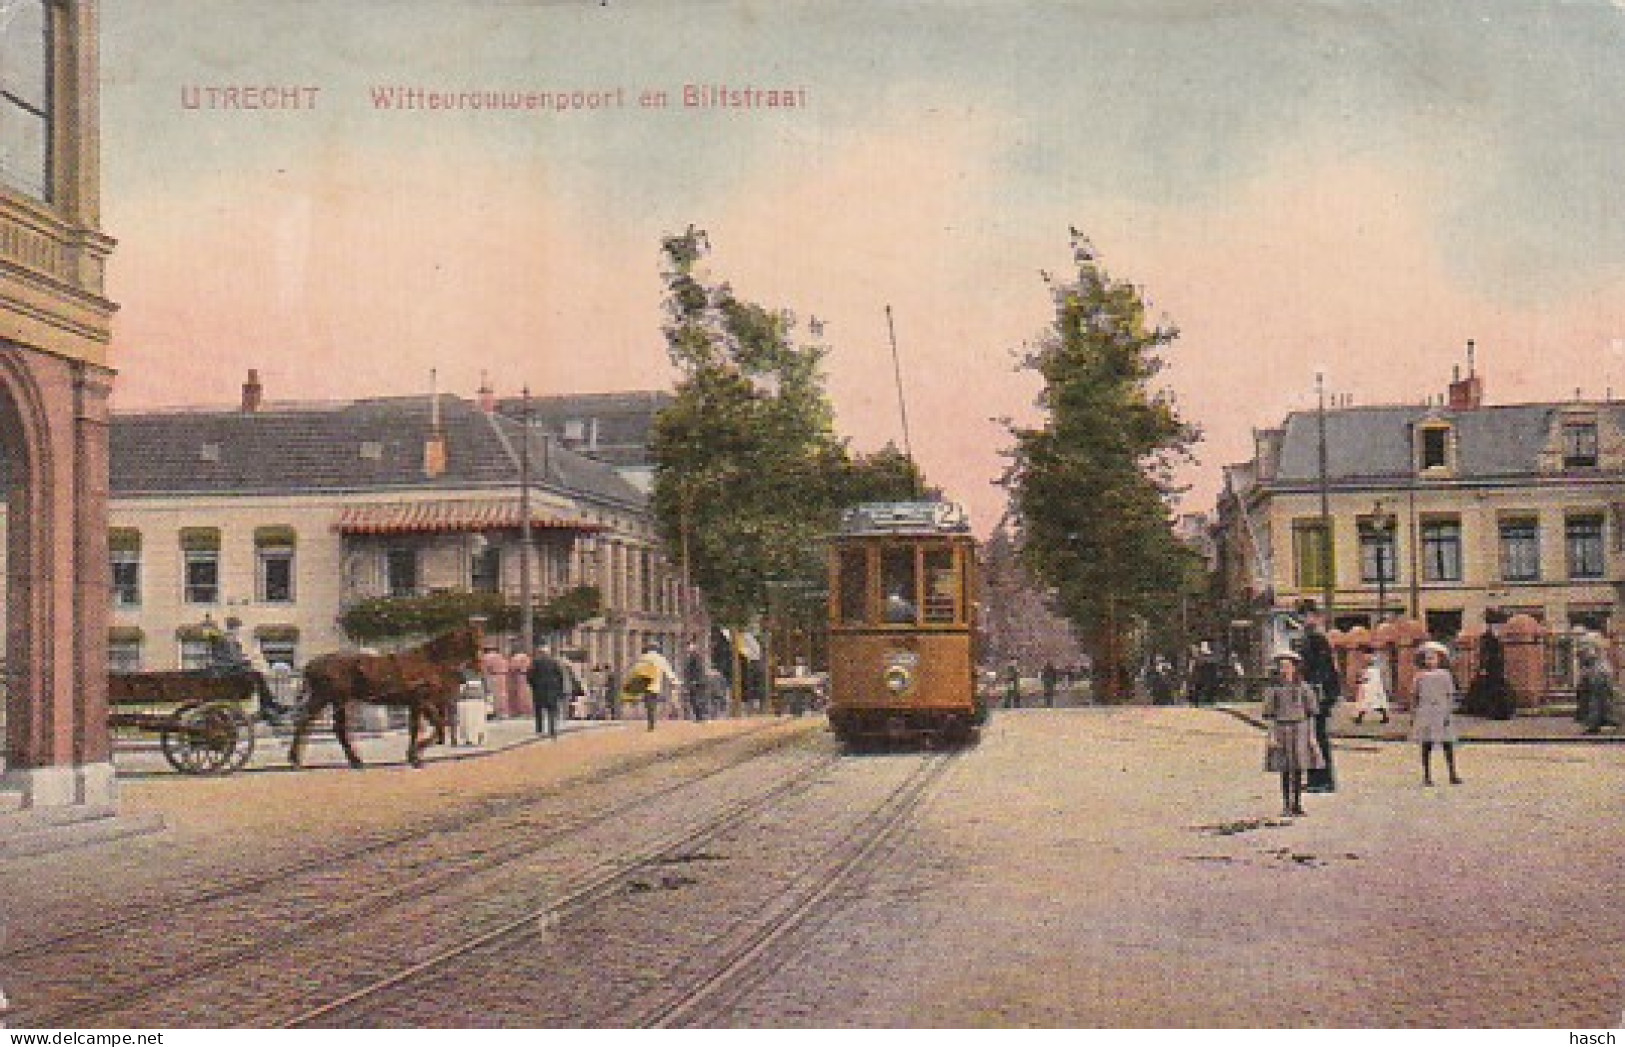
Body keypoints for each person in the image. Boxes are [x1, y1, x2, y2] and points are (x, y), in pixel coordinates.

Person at [1260, 650, 1324, 818]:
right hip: (1282, 728)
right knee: (1285, 768)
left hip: (1300, 728)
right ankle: (1286, 804)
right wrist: (1271, 736)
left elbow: (1311, 713)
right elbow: (1269, 715)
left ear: (1295, 667)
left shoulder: (1304, 688)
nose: (1284, 670)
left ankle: (1297, 804)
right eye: (1281, 667)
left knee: (1298, 767)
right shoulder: (1274, 689)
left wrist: (1311, 736)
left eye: (1288, 666)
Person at [1296, 603, 1341, 793]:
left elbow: (1323, 670)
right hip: (1315, 693)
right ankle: (1316, 778)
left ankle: (1323, 780)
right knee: (1312, 737)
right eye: (1301, 616)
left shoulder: (1317, 639)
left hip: (1319, 694)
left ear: (1315, 616)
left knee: (1318, 737)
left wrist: (1316, 693)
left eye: (1306, 616)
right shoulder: (1310, 638)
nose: (1303, 620)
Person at [1411, 640, 1463, 786]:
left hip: (1442, 710)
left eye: (1433, 658)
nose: (1431, 661)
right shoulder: (1419, 676)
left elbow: (1450, 694)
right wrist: (1413, 713)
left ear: (1440, 660)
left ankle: (1452, 773)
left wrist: (1448, 711)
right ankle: (1427, 775)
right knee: (1426, 744)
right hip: (1426, 711)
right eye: (1428, 658)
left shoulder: (1445, 675)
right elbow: (1414, 695)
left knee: (1448, 743)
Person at [1465, 612, 1515, 720]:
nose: (1499, 627)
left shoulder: (1499, 637)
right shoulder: (1486, 638)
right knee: (1491, 689)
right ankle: (1493, 711)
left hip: (1498, 666)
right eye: (1496, 625)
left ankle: (1500, 711)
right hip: (1490, 666)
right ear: (1490, 625)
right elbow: (1484, 653)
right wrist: (1482, 667)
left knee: (1497, 688)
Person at [622, 643, 675, 731]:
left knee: (648, 704)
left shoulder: (643, 658)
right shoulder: (660, 659)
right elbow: (668, 670)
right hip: (655, 685)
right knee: (652, 704)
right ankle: (652, 722)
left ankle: (650, 722)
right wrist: (674, 681)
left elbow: (635, 670)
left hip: (645, 684)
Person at [1578, 635, 1620, 735]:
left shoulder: (1593, 651)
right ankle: (1597, 724)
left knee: (1597, 701)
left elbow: (1589, 659)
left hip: (1599, 675)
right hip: (1600, 674)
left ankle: (1595, 725)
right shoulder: (1596, 651)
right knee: (1598, 701)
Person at [1352, 645, 1391, 725]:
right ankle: (1384, 717)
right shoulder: (1376, 659)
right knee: (1373, 700)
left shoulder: (1369, 659)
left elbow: (1366, 669)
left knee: (1366, 699)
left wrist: (1362, 677)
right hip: (1374, 679)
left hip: (1370, 679)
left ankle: (1359, 718)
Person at [481, 646, 510, 718]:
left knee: (492, 695)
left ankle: (492, 712)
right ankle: (503, 712)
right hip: (503, 676)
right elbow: (507, 666)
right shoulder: (501, 657)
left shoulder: (486, 657)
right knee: (503, 694)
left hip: (493, 676)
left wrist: (484, 678)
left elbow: (484, 670)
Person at [682, 641, 708, 722]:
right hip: (693, 682)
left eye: (689, 646)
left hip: (697, 682)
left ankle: (700, 717)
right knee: (693, 699)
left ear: (693, 647)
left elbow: (698, 669)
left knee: (696, 699)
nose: (687, 648)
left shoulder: (696, 656)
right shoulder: (690, 656)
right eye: (687, 647)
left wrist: (695, 680)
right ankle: (698, 717)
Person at [507, 644, 533, 720]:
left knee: (519, 694)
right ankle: (528, 712)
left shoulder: (516, 658)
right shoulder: (527, 657)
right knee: (527, 694)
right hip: (526, 676)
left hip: (518, 677)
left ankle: (520, 712)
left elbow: (512, 667)